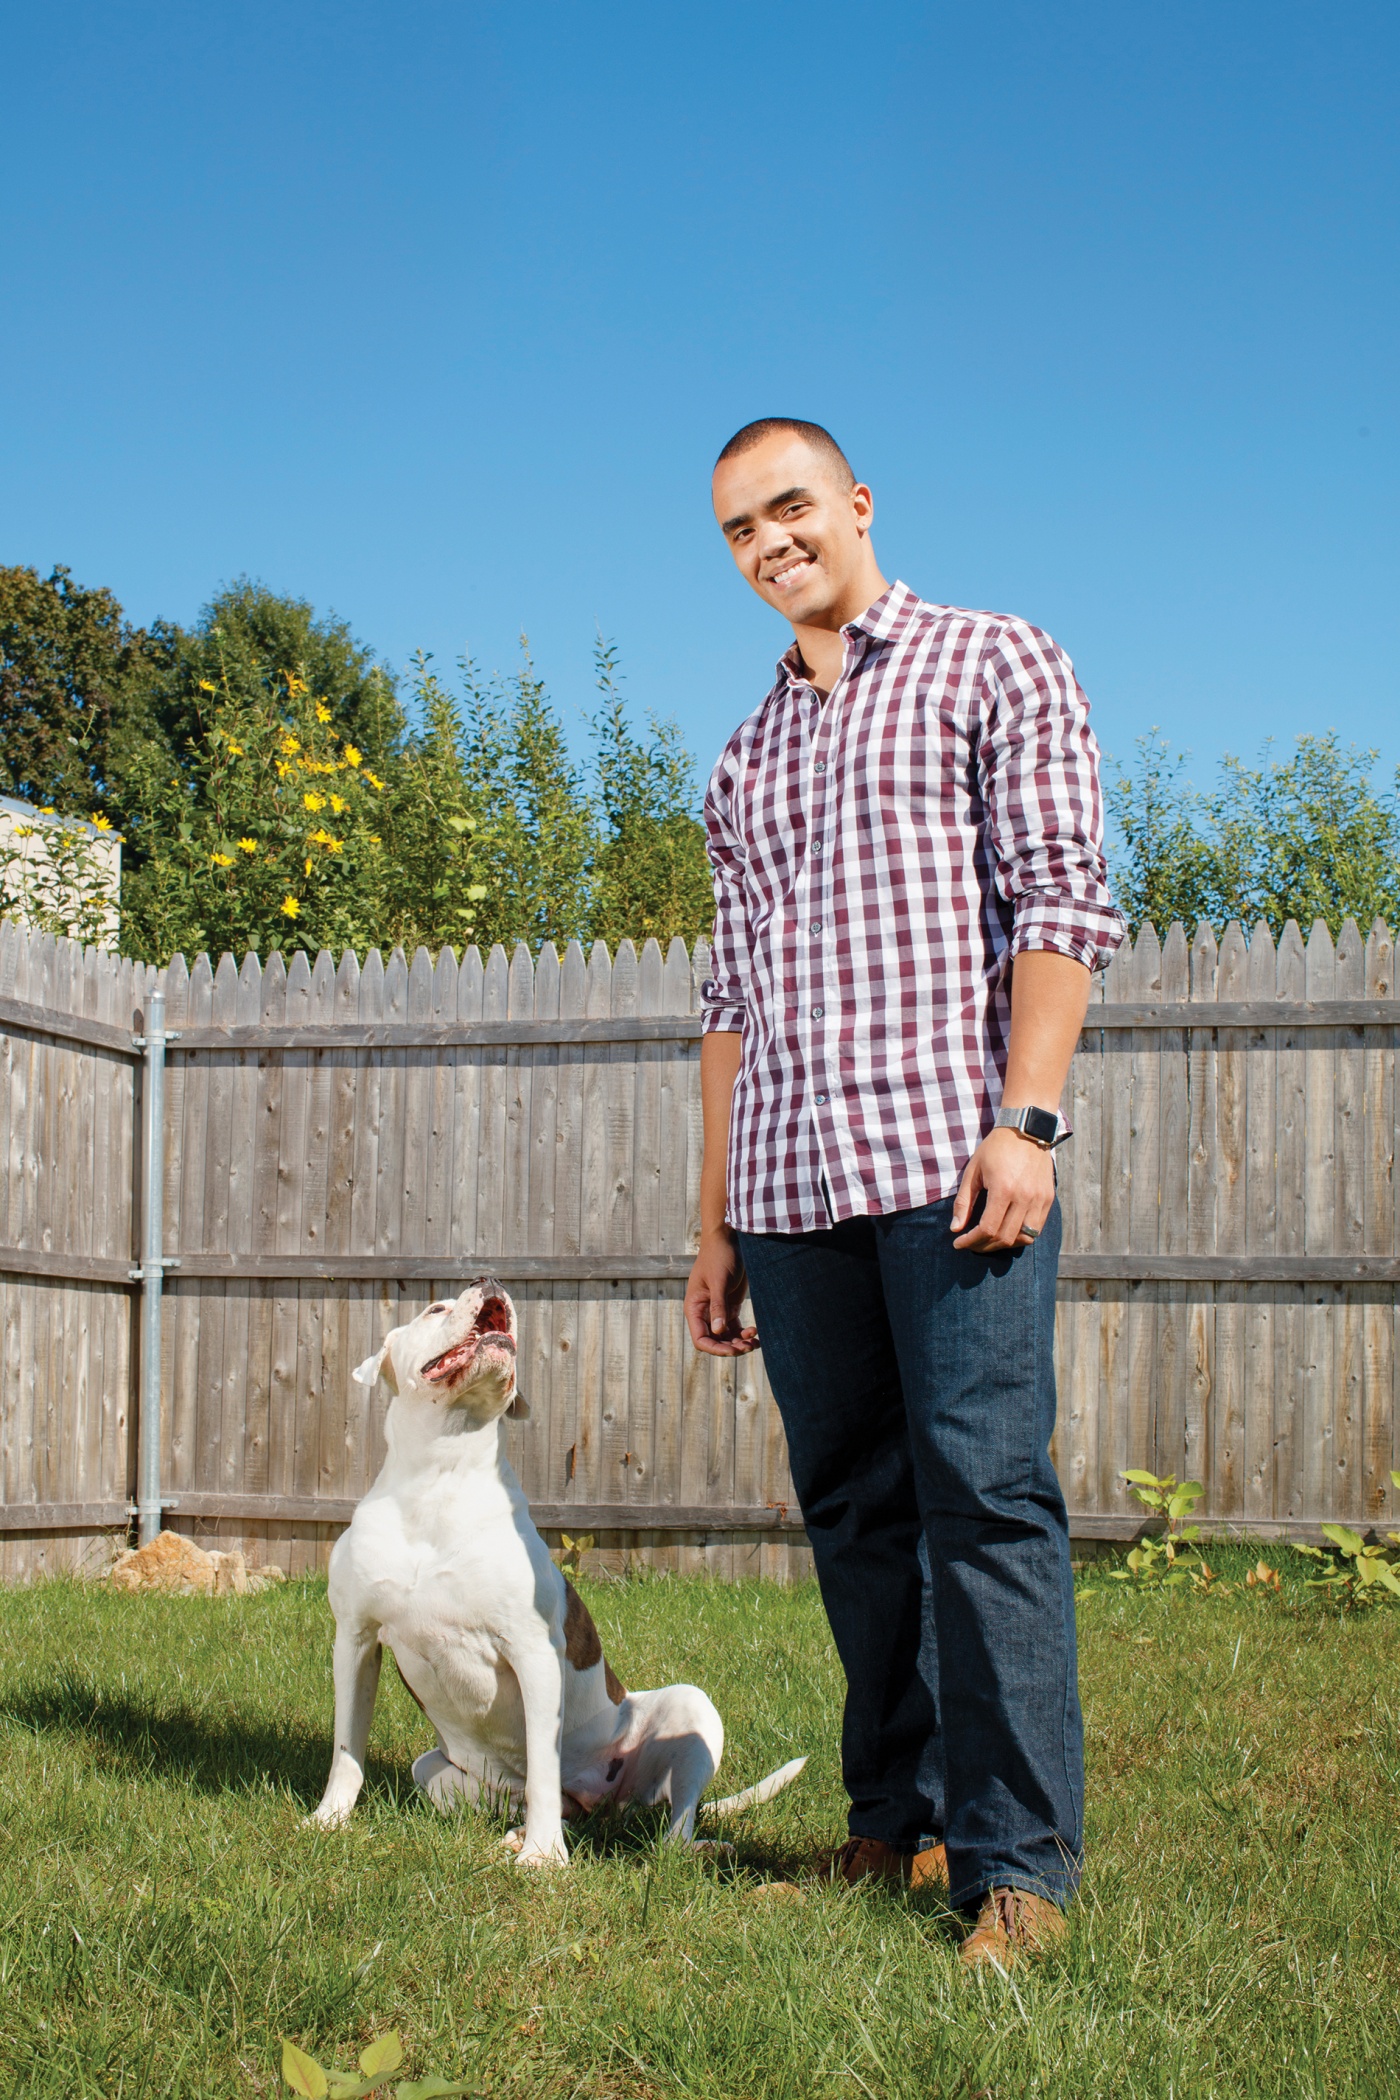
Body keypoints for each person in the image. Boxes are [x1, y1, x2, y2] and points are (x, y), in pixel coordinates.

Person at [684, 418, 1124, 1970]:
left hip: (954, 1167)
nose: (770, 543)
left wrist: (1031, 1119)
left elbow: (1064, 900)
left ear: (855, 503)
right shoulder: (743, 756)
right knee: (855, 1515)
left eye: (789, 507)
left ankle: (1020, 1870)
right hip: (794, 1184)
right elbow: (729, 1001)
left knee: (985, 1498)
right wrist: (717, 1218)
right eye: (740, 530)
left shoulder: (993, 660)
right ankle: (902, 1814)